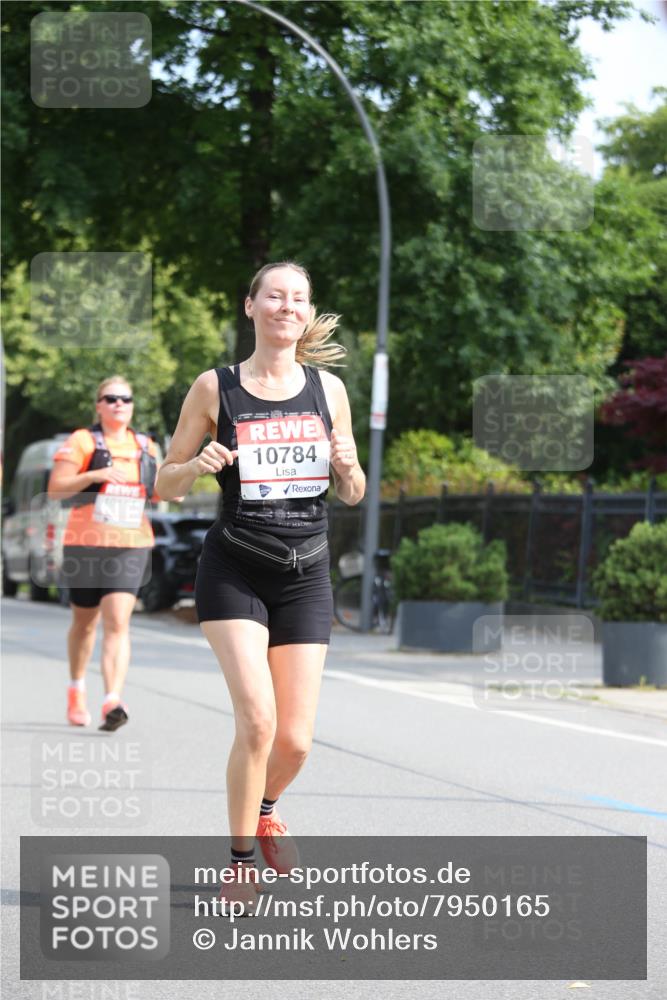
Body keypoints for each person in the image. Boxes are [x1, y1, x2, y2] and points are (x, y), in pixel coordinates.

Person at [156, 261, 365, 910]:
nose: (286, 306)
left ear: (307, 312)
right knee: (257, 722)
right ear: (250, 307)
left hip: (306, 573)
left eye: (298, 298)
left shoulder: (328, 390)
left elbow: (353, 492)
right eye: (274, 296)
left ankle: (266, 808)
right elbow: (164, 483)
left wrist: (347, 467)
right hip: (236, 568)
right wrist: (197, 464)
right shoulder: (214, 387)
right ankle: (239, 861)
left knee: (295, 741)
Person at [48, 376, 159, 732]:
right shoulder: (82, 440)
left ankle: (112, 699)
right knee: (85, 623)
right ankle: (76, 689)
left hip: (131, 544)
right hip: (85, 543)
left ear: (132, 405)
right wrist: (96, 474)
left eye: (125, 399)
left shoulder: (145, 446)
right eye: (110, 398)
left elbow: (160, 491)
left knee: (117, 621)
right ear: (98, 405)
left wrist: (178, 482)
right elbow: (56, 489)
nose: (118, 404)